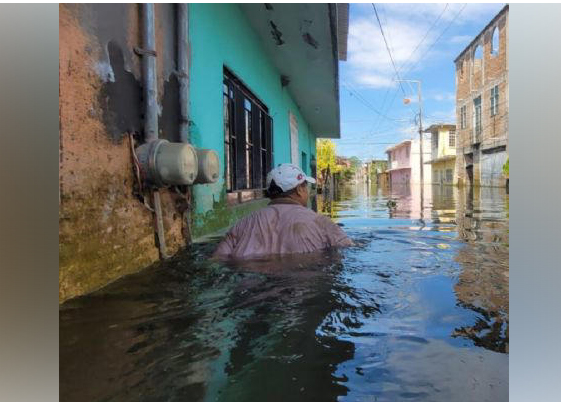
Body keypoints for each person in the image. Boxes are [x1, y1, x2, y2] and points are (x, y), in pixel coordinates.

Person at [212, 163, 353, 259]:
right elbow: (350, 250)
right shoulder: (322, 223)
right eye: (306, 188)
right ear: (299, 189)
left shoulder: (242, 225)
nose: (308, 193)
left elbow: (218, 259)